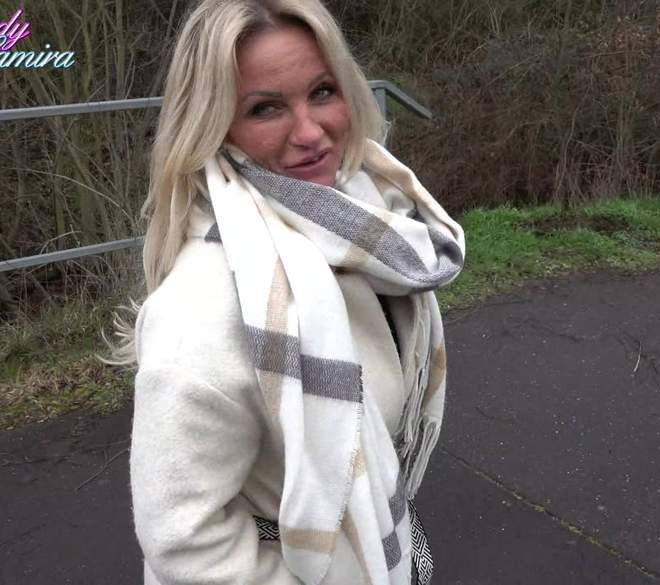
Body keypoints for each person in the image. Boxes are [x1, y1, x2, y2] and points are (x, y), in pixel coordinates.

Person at [123, 1, 465, 583]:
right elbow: (184, 541)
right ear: (213, 126)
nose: (310, 133)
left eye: (322, 92)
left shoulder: (363, 225)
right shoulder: (199, 311)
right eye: (265, 108)